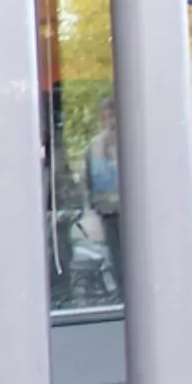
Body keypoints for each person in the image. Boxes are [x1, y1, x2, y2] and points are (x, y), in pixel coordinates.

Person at [84, 97, 123, 291]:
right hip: (107, 211)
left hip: (129, 210)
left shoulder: (130, 141)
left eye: (113, 116)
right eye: (106, 117)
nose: (110, 121)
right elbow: (91, 179)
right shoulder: (95, 145)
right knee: (115, 252)